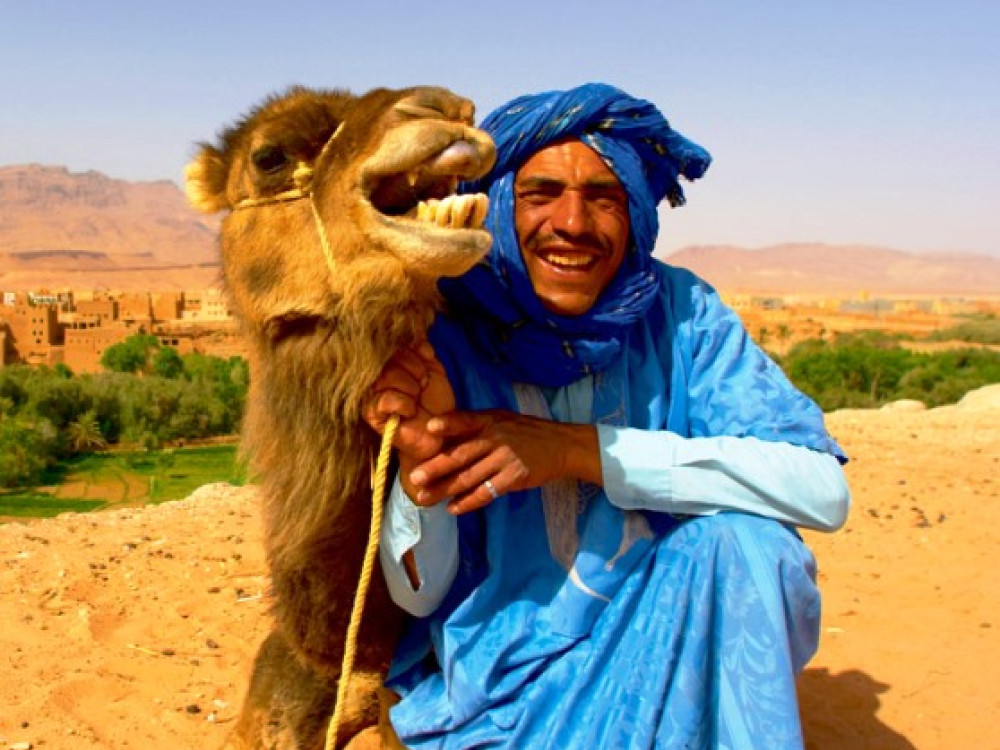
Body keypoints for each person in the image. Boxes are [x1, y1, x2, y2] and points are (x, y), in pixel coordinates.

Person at [363, 82, 850, 749]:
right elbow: (418, 597)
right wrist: (427, 469)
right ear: (498, 201)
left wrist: (581, 450)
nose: (572, 223)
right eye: (540, 193)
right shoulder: (446, 329)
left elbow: (820, 490)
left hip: (667, 636)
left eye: (603, 196)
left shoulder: (681, 317)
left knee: (746, 547)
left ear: (639, 212)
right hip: (510, 688)